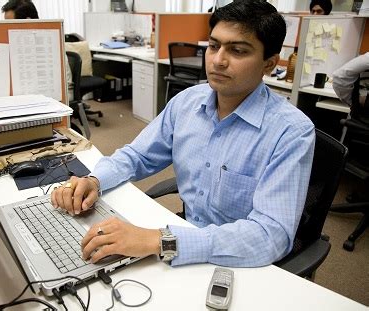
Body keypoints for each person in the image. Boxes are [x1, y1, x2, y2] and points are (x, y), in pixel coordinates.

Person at [51, 0, 315, 268]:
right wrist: (95, 180)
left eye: (237, 51)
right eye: (213, 46)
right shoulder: (188, 102)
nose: (218, 60)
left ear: (269, 64)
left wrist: (160, 240)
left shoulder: (291, 132)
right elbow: (137, 156)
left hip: (237, 260)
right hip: (184, 236)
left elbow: (271, 235)